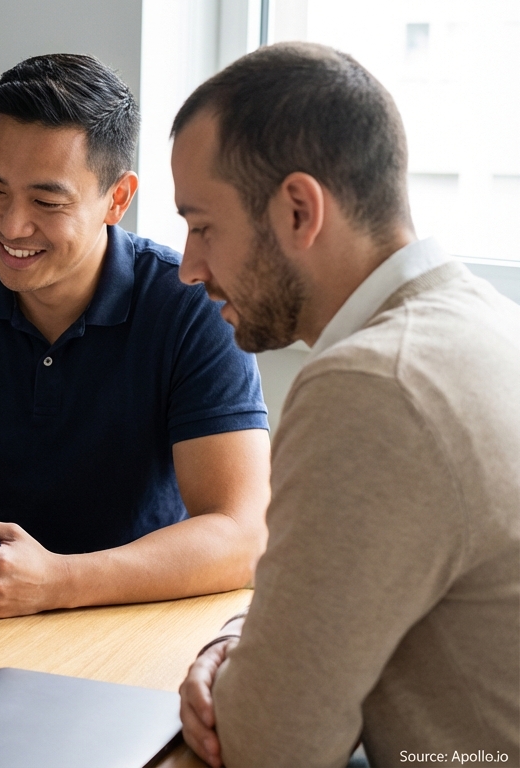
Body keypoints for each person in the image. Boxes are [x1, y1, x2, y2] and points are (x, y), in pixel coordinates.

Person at [0, 54, 272, 618]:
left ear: (117, 199)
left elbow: (241, 534)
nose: (11, 226)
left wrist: (59, 581)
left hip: (138, 620)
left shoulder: (191, 305)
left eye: (47, 202)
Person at [172, 42, 520, 767]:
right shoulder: (484, 320)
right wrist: (248, 643)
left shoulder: (373, 388)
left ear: (299, 209)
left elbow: (270, 746)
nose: (188, 268)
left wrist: (233, 666)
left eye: (203, 226)